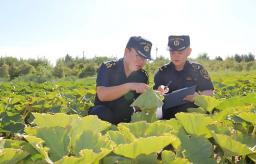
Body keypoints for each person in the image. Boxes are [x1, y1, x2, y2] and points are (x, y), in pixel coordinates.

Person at [88, 36, 152, 124]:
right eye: (138, 56)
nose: (141, 62)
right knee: (101, 113)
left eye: (145, 58)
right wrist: (130, 86)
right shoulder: (108, 68)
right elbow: (102, 95)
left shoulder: (142, 76)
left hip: (124, 116)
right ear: (126, 51)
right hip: (103, 113)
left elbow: (139, 105)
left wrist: (153, 95)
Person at [153, 35, 214, 119]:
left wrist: (197, 98)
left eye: (180, 53)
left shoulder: (197, 69)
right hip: (168, 118)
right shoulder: (162, 71)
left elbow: (209, 91)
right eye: (172, 53)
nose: (176, 56)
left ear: (189, 51)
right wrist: (159, 91)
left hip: (193, 117)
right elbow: (154, 95)